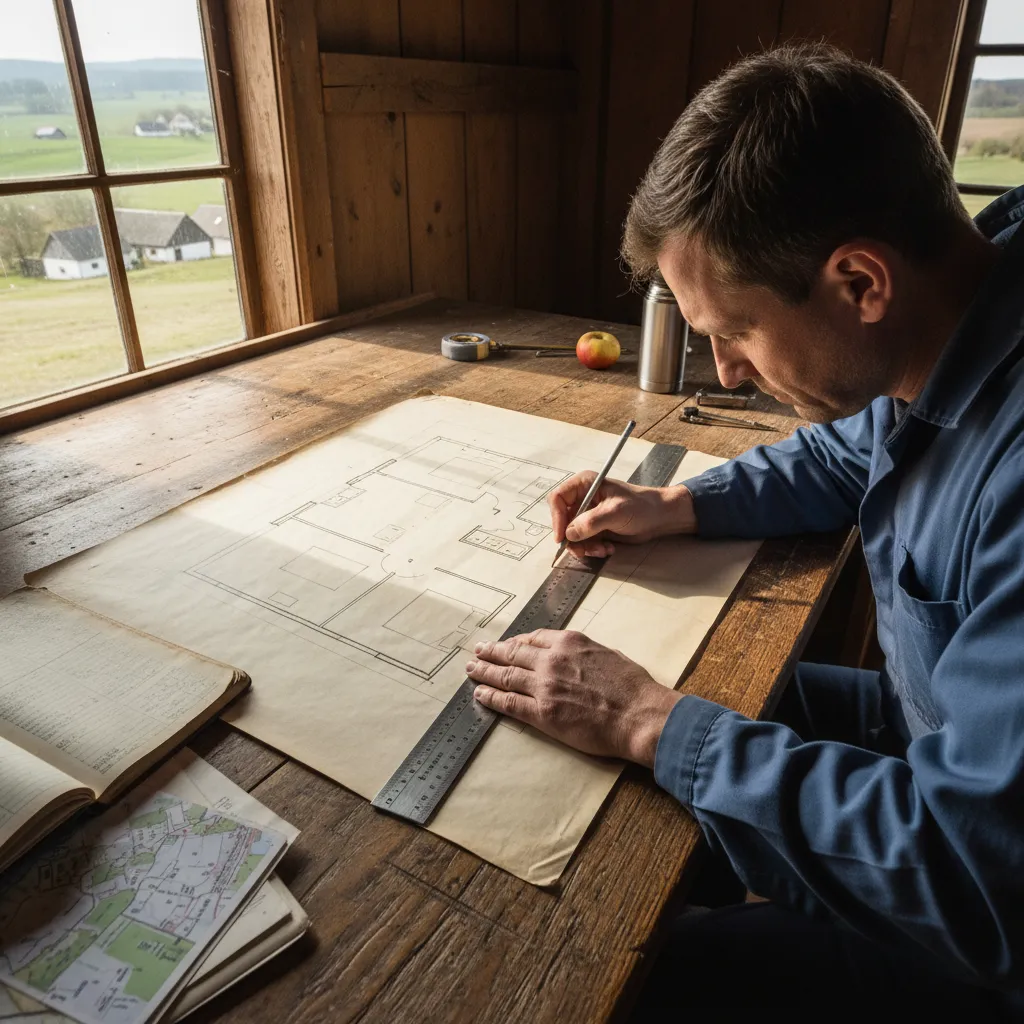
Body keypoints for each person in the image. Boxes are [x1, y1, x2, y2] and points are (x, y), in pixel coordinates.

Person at [463, 43, 1024, 1015]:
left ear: (858, 283)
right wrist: (681, 504)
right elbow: (856, 448)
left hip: (990, 920)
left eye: (735, 332)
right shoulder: (958, 305)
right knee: (719, 687)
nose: (722, 371)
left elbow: (976, 882)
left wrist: (650, 724)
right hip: (926, 732)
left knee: (648, 973)